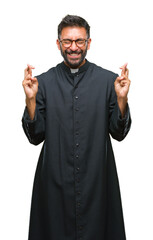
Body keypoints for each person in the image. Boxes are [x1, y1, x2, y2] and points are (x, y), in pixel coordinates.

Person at [22, 15, 131, 240]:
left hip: (97, 184)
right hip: (54, 184)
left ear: (88, 43)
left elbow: (119, 133)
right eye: (67, 42)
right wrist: (30, 100)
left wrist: (121, 99)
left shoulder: (108, 81)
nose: (74, 47)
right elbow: (35, 137)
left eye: (79, 41)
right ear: (58, 44)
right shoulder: (42, 83)